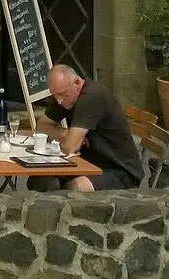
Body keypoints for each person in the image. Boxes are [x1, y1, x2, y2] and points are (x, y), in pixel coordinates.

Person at [37, 63, 142, 192]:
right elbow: (41, 128)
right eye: (55, 95)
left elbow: (71, 147)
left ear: (77, 83)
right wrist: (65, 134)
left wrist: (69, 138)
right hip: (89, 163)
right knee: (40, 180)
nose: (59, 101)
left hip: (119, 170)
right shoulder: (64, 96)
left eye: (62, 94)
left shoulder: (91, 97)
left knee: (73, 188)